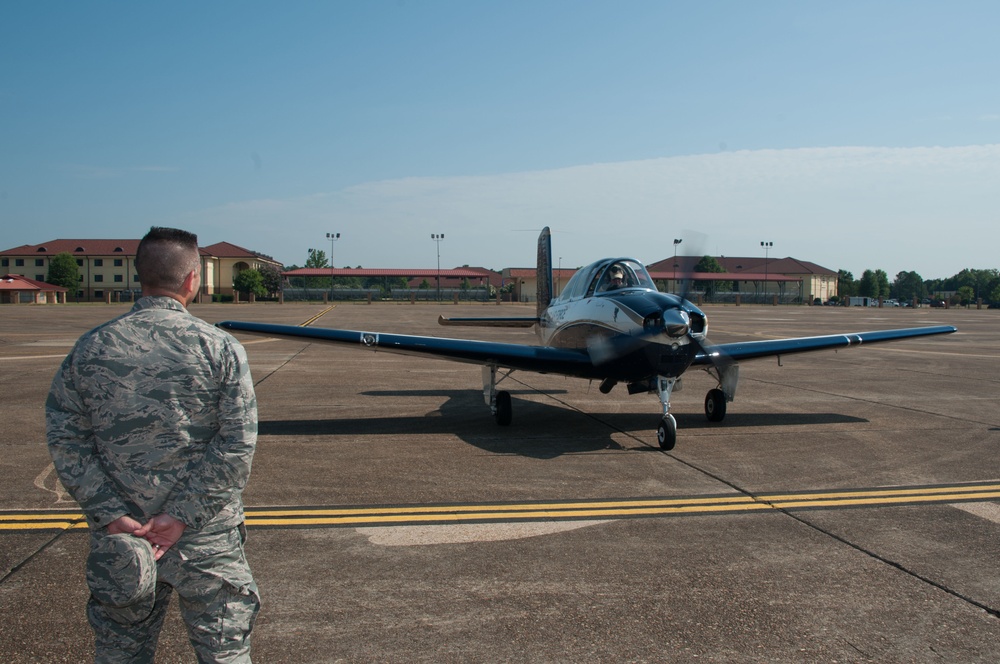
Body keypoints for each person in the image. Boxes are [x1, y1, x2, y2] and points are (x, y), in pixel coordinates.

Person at [46, 227, 260, 663]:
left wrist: (111, 513)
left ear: (137, 275)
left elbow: (67, 439)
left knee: (120, 653)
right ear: (192, 280)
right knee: (224, 655)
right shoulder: (219, 348)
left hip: (124, 544)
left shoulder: (90, 348)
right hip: (207, 543)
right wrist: (181, 515)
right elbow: (237, 445)